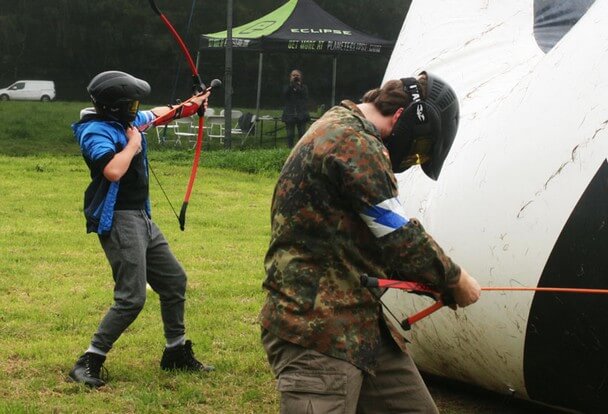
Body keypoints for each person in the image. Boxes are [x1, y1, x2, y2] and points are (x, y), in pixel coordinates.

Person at [260, 71, 482, 413]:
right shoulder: (354, 142)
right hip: (316, 331)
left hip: (359, 323)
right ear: (402, 119)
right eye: (420, 150)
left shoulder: (343, 125)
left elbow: (365, 235)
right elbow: (397, 233)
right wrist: (455, 280)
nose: (412, 160)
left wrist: (430, 283)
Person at [68, 71, 213, 388]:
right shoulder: (94, 131)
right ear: (115, 107)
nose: (137, 109)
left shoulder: (123, 120)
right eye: (131, 104)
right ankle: (88, 361)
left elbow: (161, 113)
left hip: (141, 219)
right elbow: (113, 170)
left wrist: (192, 104)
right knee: (131, 298)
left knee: (174, 281)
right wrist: (134, 144)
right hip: (119, 221)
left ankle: (175, 352)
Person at [280, 69, 310, 147]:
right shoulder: (287, 87)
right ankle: (289, 150)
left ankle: (300, 151)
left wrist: (298, 86)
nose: (295, 77)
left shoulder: (304, 87)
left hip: (301, 114)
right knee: (290, 135)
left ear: (301, 77)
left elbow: (305, 97)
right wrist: (292, 85)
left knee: (302, 135)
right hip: (289, 114)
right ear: (290, 77)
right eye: (293, 75)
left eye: (297, 75)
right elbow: (284, 95)